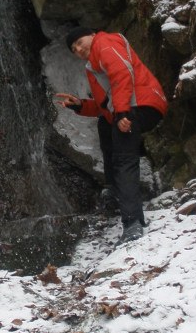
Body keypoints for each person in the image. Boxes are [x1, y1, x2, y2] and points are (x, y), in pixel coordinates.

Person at [56, 27, 167, 243]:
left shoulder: (104, 43)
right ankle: (115, 190)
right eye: (74, 48)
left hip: (141, 104)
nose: (78, 49)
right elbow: (104, 106)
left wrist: (123, 112)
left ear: (92, 35)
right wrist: (79, 105)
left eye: (80, 42)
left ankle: (133, 223)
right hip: (128, 107)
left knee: (124, 158)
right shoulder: (93, 66)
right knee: (105, 126)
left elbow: (122, 73)